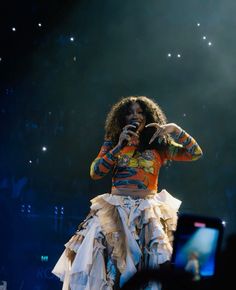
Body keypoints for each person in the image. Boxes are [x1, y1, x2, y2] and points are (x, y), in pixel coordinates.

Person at [52, 95, 203, 290]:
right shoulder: (114, 141)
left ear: (148, 116)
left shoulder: (159, 145)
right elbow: (96, 172)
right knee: (110, 264)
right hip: (115, 210)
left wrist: (175, 129)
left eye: (140, 112)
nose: (135, 116)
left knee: (148, 261)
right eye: (130, 112)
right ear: (122, 118)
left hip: (147, 211)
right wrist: (118, 146)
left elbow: (195, 153)